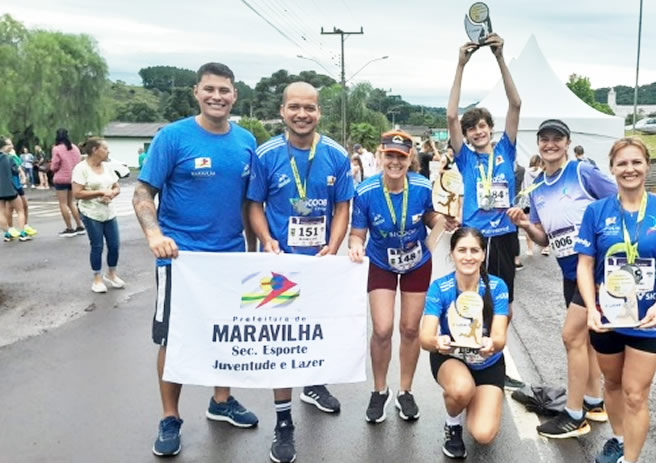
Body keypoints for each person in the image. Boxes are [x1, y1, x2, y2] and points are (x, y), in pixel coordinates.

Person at [133, 62, 260, 458]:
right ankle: (170, 416)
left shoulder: (246, 141)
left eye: (224, 90)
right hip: (181, 259)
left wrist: (252, 251)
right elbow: (142, 192)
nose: (217, 96)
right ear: (196, 92)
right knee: (175, 338)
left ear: (234, 95)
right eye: (210, 89)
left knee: (225, 333)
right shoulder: (173, 137)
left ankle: (221, 401)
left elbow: (246, 202)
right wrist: (155, 235)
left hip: (228, 258)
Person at [247, 81, 353, 463]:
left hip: (320, 265)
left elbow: (343, 206)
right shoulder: (267, 154)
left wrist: (335, 244)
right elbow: (254, 205)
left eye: (309, 107)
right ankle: (283, 422)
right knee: (280, 343)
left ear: (319, 112)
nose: (302, 114)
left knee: (314, 332)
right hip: (279, 268)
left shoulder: (337, 155)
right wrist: (266, 240)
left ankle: (313, 383)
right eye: (295, 107)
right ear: (282, 111)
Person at [575, 137, 656, 463]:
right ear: (612, 169)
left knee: (635, 393)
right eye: (622, 163)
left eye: (636, 162)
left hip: (649, 319)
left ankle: (630, 460)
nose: (630, 169)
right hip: (607, 316)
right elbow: (584, 265)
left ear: (647, 166)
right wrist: (590, 307)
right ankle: (619, 439)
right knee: (611, 383)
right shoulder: (596, 211)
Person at [507, 119, 617, 440]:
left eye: (557, 139)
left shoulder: (582, 173)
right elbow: (544, 238)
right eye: (545, 139)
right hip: (570, 271)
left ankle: (573, 415)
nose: (550, 144)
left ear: (567, 143)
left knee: (571, 336)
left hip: (596, 267)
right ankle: (595, 403)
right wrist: (526, 224)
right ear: (539, 144)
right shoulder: (538, 187)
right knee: (586, 341)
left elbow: (619, 199)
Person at [349, 130, 456, 424]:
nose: (395, 162)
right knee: (382, 329)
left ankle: (405, 391)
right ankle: (379, 389)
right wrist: (356, 245)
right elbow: (357, 233)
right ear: (380, 156)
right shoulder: (365, 191)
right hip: (381, 261)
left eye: (401, 156)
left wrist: (442, 221)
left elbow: (431, 216)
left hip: (416, 261)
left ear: (409, 160)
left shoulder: (422, 186)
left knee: (410, 329)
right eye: (389, 155)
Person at [446, 32, 525, 390]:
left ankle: (497, 362)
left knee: (500, 302)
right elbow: (450, 114)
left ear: (490, 128)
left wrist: (499, 57)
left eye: (482, 126)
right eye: (471, 128)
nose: (478, 131)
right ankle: (467, 353)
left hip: (504, 236)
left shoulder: (505, 151)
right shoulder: (465, 157)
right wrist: (461, 64)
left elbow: (516, 103)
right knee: (470, 298)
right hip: (474, 236)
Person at [419, 227, 511, 459]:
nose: (468, 256)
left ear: (482, 254)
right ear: (451, 254)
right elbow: (425, 338)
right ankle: (453, 424)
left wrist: (492, 343)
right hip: (451, 357)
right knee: (461, 389)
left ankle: (475, 399)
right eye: (462, 250)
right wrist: (437, 341)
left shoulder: (497, 286)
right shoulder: (440, 287)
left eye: (474, 250)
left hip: (487, 362)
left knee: (483, 434)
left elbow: (500, 338)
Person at [72, 138, 124, 293]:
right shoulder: (81, 168)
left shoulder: (107, 167)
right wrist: (100, 192)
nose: (108, 151)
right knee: (97, 246)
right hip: (91, 212)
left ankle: (111, 274)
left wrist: (112, 194)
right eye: (105, 148)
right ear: (95, 150)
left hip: (108, 212)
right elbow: (77, 193)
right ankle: (97, 278)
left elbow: (116, 186)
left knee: (114, 245)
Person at [51, 128, 85, 237]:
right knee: (71, 203)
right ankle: (79, 226)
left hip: (61, 179)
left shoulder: (57, 149)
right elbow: (79, 161)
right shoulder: (74, 147)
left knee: (63, 204)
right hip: (73, 178)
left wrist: (51, 168)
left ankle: (69, 228)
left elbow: (55, 165)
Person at [1, 139, 29, 242]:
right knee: (20, 210)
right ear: (4, 146)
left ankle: (7, 233)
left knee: (1, 211)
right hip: (10, 188)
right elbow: (15, 170)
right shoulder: (9, 158)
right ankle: (22, 233)